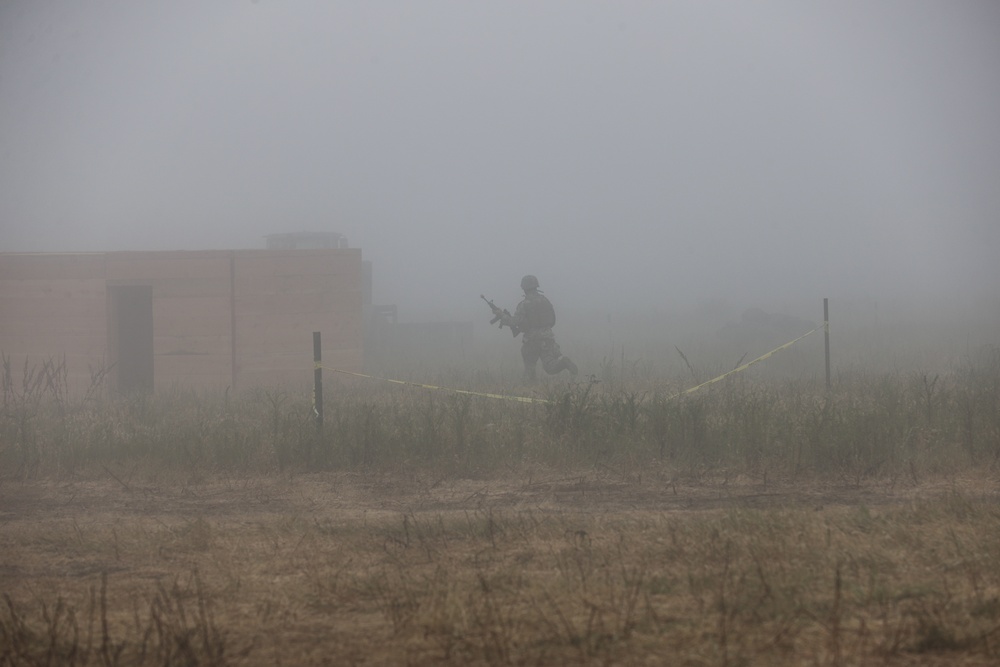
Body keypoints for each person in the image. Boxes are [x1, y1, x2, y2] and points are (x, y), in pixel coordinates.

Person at [502, 275, 578, 382]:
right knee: (550, 367)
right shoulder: (545, 300)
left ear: (524, 288)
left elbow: (514, 321)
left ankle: (529, 385)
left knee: (529, 365)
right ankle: (564, 363)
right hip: (548, 338)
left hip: (532, 340)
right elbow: (552, 319)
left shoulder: (524, 304)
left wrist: (502, 316)